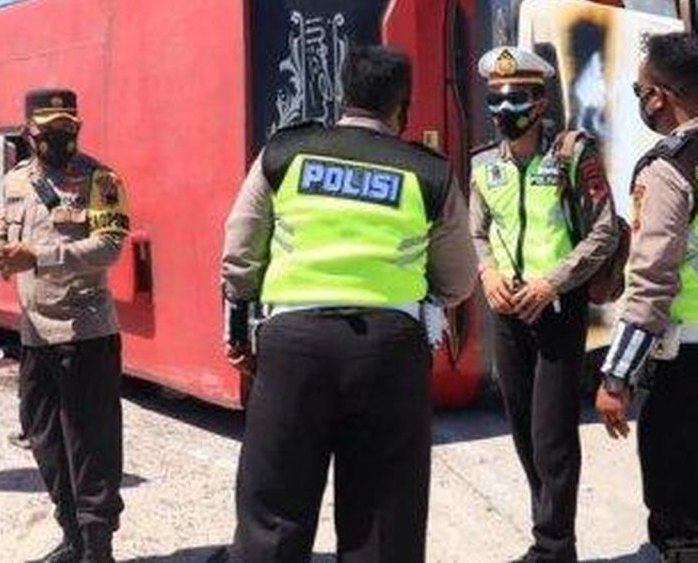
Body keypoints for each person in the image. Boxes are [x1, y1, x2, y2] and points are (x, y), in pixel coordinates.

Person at [221, 44, 478, 563]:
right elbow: (459, 278)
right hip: (389, 351)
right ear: (401, 107)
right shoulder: (428, 172)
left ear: (344, 94)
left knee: (273, 511)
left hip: (293, 346)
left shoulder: (285, 153)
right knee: (384, 521)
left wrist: (238, 333)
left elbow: (240, 252)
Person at [470, 46, 619, 563]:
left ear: (538, 102)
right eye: (496, 100)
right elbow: (477, 231)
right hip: (507, 311)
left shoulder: (574, 155)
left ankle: (555, 547)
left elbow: (603, 234)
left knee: (552, 435)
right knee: (522, 429)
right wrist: (486, 271)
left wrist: (553, 283)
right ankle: (547, 531)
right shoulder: (483, 166)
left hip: (555, 311)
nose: (505, 111)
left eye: (515, 100)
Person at [0, 88, 130, 563]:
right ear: (30, 134)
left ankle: (98, 545)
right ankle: (72, 534)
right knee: (43, 437)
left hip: (85, 334)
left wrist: (38, 257)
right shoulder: (16, 182)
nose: (63, 138)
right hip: (34, 335)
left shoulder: (102, 179)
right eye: (51, 132)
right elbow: (5, 235)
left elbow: (110, 246)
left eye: (70, 129)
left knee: (91, 444)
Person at [596, 33, 698, 562]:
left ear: (658, 96)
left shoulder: (671, 168)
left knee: (681, 514)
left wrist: (617, 375)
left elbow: (652, 281)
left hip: (685, 366)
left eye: (640, 89)